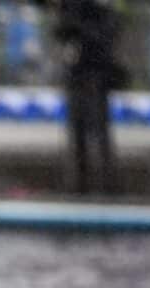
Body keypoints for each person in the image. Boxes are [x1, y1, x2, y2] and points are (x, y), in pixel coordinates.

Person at [49, 0, 128, 195]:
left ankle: (108, 186)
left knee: (98, 131)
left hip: (96, 75)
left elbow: (107, 34)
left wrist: (78, 27)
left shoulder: (100, 9)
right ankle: (79, 185)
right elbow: (61, 33)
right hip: (77, 75)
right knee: (78, 133)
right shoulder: (72, 8)